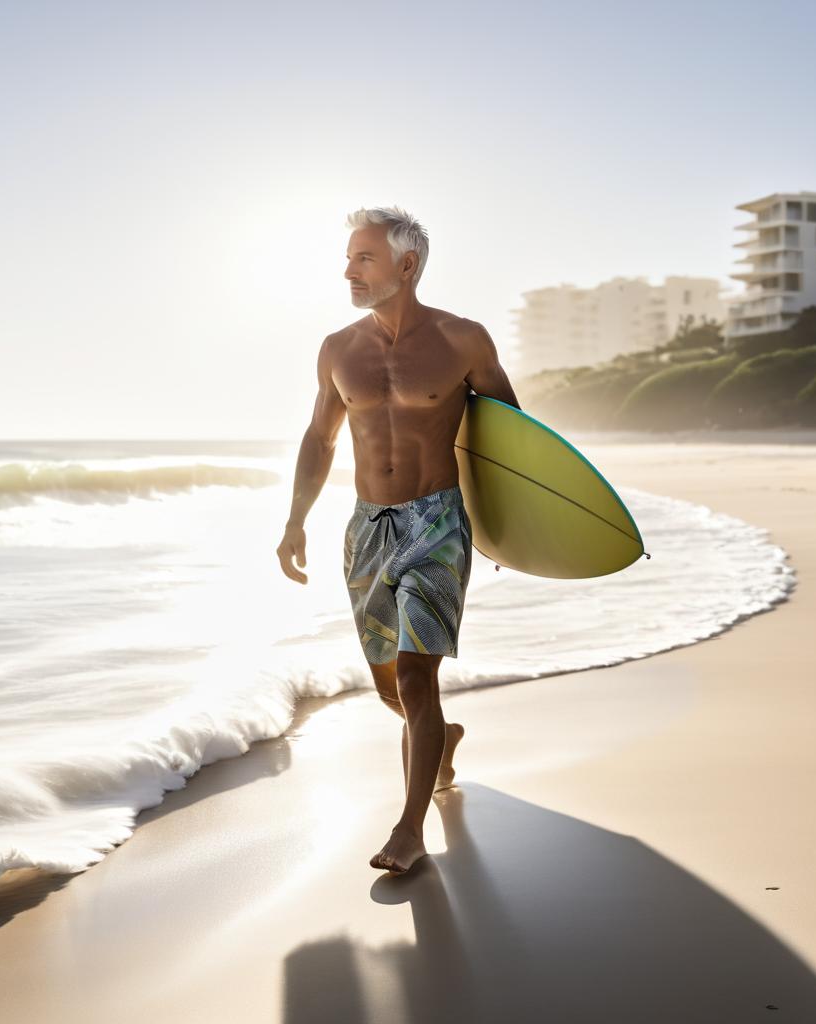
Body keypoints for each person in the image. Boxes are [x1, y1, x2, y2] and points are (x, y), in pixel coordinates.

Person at [276, 205, 521, 876]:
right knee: (392, 687)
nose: (348, 269)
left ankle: (410, 828)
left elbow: (509, 436)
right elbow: (319, 438)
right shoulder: (338, 348)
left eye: (364, 258)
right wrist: (296, 520)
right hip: (367, 528)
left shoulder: (463, 340)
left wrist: (506, 527)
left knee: (417, 675)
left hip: (438, 522)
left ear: (406, 266)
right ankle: (442, 743)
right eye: (349, 256)